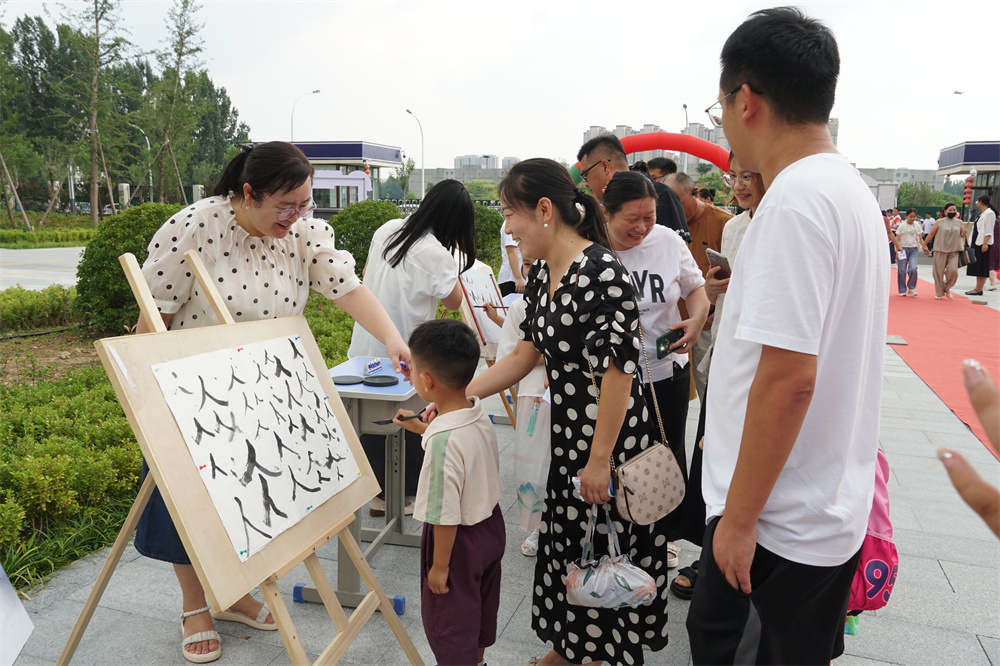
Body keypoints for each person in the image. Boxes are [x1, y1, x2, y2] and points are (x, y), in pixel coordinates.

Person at [134, 141, 410, 663]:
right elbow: (156, 316)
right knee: (189, 508)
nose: (296, 216)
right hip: (198, 394)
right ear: (247, 193)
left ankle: (237, 593)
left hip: (267, 389)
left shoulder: (304, 231)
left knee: (255, 500)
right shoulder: (196, 226)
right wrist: (148, 399)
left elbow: (346, 287)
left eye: (304, 204)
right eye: (285, 206)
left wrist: (394, 340)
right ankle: (195, 604)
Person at [688, 8, 889, 665]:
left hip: (775, 525)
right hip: (820, 507)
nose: (721, 121)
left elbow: (789, 379)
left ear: (746, 100)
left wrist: (740, 520)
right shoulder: (848, 189)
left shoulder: (795, 202)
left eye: (719, 105)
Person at [465, 158, 671, 665]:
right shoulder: (544, 275)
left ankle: (592, 655)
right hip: (574, 437)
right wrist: (461, 393)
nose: (507, 228)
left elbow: (619, 370)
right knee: (576, 545)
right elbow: (524, 353)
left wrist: (599, 460)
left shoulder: (600, 270)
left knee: (607, 547)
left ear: (543, 210)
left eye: (510, 214)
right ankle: (570, 650)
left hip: (610, 439)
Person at [347, 179, 477, 515]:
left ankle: (379, 495)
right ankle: (395, 496)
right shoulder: (436, 252)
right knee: (407, 420)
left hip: (367, 341)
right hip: (405, 350)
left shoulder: (389, 228)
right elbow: (454, 300)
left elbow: (364, 273)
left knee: (372, 424)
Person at [601, 171, 709, 569]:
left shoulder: (666, 240)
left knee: (663, 453)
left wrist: (696, 319)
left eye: (649, 216)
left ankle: (662, 534)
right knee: (612, 455)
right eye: (633, 218)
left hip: (664, 369)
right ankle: (613, 531)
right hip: (608, 378)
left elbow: (695, 289)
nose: (643, 227)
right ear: (605, 213)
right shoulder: (589, 247)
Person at [672, 153, 768, 601]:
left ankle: (741, 553)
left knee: (751, 460)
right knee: (711, 457)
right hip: (725, 353)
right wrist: (710, 293)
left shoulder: (786, 222)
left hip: (765, 366)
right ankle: (709, 550)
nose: (739, 184)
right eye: (735, 176)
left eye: (748, 175)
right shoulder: (735, 227)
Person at [392, 319, 504, 666]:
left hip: (456, 545)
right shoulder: (476, 409)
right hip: (491, 528)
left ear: (427, 380)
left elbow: (443, 514)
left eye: (411, 368)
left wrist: (439, 567)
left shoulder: (442, 444)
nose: (408, 375)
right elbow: (456, 442)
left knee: (451, 625)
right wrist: (422, 428)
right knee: (480, 610)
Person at [485, 255, 550, 557]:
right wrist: (552, 356)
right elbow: (510, 357)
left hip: (571, 397)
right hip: (534, 396)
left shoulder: (577, 299)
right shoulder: (520, 308)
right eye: (526, 265)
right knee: (535, 465)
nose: (532, 270)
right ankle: (537, 528)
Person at [664, 170, 732, 400]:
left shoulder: (724, 223)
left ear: (695, 194)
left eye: (679, 203)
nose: (675, 211)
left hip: (707, 324)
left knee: (709, 389)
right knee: (676, 389)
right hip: (674, 324)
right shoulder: (663, 226)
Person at [577, 133, 691, 241]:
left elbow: (678, 250)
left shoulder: (659, 192)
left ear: (605, 167)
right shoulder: (599, 208)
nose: (586, 183)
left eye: (586, 175)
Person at [921, 202, 965, 299]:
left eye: (954, 210)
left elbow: (962, 235)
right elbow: (931, 234)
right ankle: (939, 292)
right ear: (945, 211)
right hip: (940, 249)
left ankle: (947, 287)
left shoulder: (959, 222)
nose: (952, 212)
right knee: (938, 272)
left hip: (954, 250)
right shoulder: (939, 222)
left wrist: (964, 233)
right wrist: (924, 245)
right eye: (950, 210)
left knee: (953, 271)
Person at [965, 195, 996, 295]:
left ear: (981, 202)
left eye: (978, 202)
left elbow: (988, 230)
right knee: (977, 266)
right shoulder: (982, 213)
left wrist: (985, 243)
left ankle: (979, 289)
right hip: (977, 242)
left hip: (983, 243)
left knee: (982, 266)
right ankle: (977, 288)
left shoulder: (989, 213)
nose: (977, 204)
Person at [895, 208, 923, 296]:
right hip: (903, 249)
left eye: (914, 217)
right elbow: (897, 239)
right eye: (910, 217)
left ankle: (911, 287)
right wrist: (897, 251)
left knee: (913, 268)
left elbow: (920, 238)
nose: (912, 219)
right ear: (906, 216)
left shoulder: (917, 225)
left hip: (913, 249)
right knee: (902, 270)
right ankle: (902, 289)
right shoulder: (902, 226)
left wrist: (924, 246)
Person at [497, 223, 524, 296]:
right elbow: (511, 252)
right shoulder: (509, 224)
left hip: (520, 278)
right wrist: (518, 278)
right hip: (511, 278)